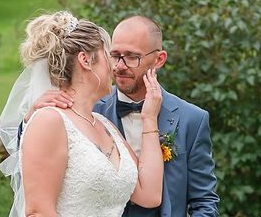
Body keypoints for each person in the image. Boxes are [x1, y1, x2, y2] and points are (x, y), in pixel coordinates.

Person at [30, 15, 220, 217]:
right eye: (113, 55)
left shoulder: (192, 119)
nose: (118, 66)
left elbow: (200, 201)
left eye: (131, 57)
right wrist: (30, 118)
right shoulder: (91, 111)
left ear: (159, 59)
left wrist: (149, 119)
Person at [0, 11, 165, 217]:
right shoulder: (50, 120)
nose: (115, 66)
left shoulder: (105, 126)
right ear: (85, 60)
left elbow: (149, 194)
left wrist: (149, 119)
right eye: (108, 55)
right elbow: (38, 212)